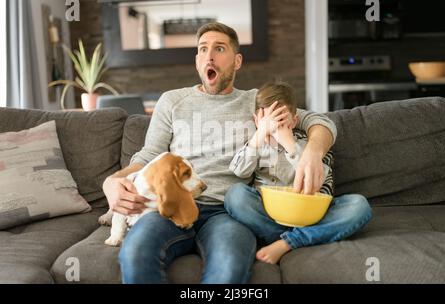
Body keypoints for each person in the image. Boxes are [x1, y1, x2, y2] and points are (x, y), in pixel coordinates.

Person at [102, 22, 338, 284]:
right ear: (197, 61)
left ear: (237, 61)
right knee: (135, 253)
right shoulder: (172, 101)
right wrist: (110, 181)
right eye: (203, 49)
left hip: (226, 212)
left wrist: (313, 152)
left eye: (219, 48)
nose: (209, 56)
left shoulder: (257, 102)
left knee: (229, 268)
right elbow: (148, 156)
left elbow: (319, 121)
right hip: (170, 206)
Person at [224, 81, 372, 264]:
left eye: (281, 122)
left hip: (308, 214)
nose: (274, 128)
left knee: (359, 206)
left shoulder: (306, 146)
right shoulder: (256, 145)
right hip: (269, 214)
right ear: (256, 120)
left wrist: (290, 145)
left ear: (294, 121)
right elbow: (239, 171)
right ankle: (297, 238)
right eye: (268, 122)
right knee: (235, 195)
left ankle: (287, 242)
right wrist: (259, 135)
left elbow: (320, 179)